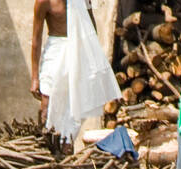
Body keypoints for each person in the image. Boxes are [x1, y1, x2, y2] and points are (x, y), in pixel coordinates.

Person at [31, 0, 120, 142]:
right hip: (55, 52)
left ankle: (66, 146)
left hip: (79, 52)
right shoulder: (44, 2)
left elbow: (91, 30)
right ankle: (45, 143)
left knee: (74, 108)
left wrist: (93, 62)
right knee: (46, 103)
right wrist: (35, 78)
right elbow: (36, 40)